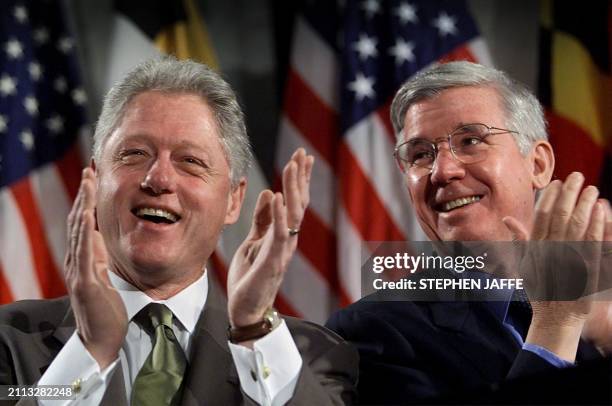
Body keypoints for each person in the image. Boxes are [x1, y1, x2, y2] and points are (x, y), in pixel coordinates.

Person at [0, 57, 357, 405]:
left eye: (190, 161)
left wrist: (252, 330)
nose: (158, 179)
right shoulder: (9, 339)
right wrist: (90, 352)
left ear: (233, 200)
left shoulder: (313, 355)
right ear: (94, 180)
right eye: (135, 153)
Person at [326, 61, 612, 404]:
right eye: (420, 154)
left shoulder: (600, 302)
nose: (442, 171)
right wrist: (555, 325)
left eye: (471, 140)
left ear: (537, 165)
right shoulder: (370, 334)